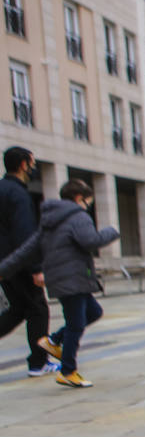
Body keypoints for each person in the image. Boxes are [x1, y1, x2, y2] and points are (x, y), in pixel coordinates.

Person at [0, 179, 120, 388]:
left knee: (93, 312)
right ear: (79, 198)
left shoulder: (50, 221)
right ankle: (67, 371)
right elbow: (90, 241)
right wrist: (112, 231)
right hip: (73, 279)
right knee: (76, 324)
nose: (88, 207)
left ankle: (53, 341)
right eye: (88, 202)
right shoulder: (79, 216)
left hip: (64, 279)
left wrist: (3, 269)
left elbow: (27, 249)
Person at [0, 146, 57, 377]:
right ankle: (38, 362)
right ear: (24, 165)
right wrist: (35, 268)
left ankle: (38, 361)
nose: (33, 168)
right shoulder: (18, 194)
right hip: (19, 263)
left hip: (4, 265)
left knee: (18, 309)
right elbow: (25, 234)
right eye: (32, 163)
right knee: (37, 309)